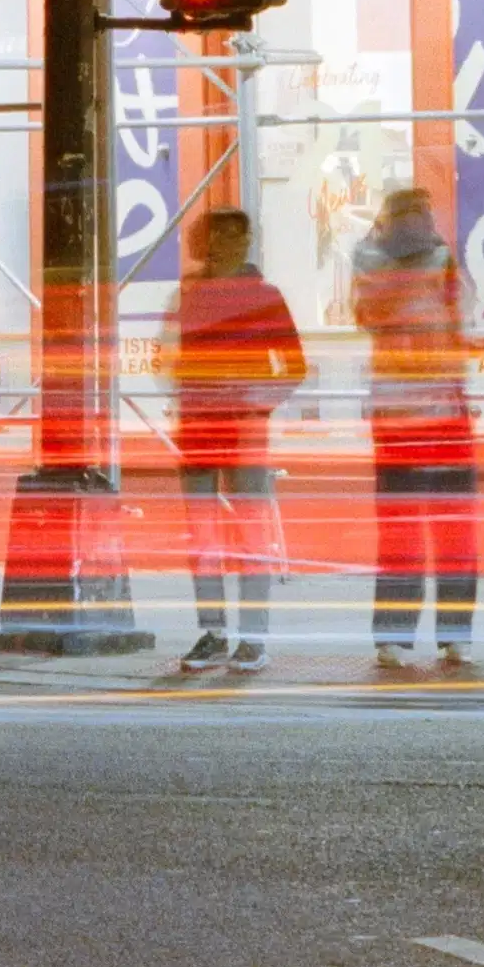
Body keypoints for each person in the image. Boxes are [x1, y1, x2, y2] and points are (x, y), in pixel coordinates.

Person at [162, 207, 307, 677]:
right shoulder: (189, 294)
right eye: (224, 235)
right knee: (206, 536)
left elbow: (294, 364)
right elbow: (170, 357)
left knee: (247, 534)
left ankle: (250, 637)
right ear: (209, 241)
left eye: (241, 235)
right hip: (205, 427)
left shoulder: (263, 296)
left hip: (237, 429)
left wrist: (255, 403)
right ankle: (216, 632)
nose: (234, 243)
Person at [352, 184, 480, 675]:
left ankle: (396, 637)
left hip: (397, 411)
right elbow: (460, 316)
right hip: (440, 410)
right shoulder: (441, 258)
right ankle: (455, 637)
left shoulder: (368, 259)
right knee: (453, 530)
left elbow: (367, 317)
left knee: (402, 529)